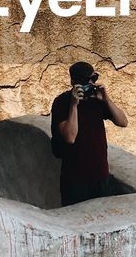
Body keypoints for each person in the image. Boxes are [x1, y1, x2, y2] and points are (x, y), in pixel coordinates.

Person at [50, 61, 129, 206]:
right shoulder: (62, 102)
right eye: (87, 80)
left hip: (100, 177)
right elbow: (70, 137)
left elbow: (123, 122)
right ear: (73, 82)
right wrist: (74, 105)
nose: (91, 83)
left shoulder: (97, 99)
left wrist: (106, 99)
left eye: (94, 78)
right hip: (75, 181)